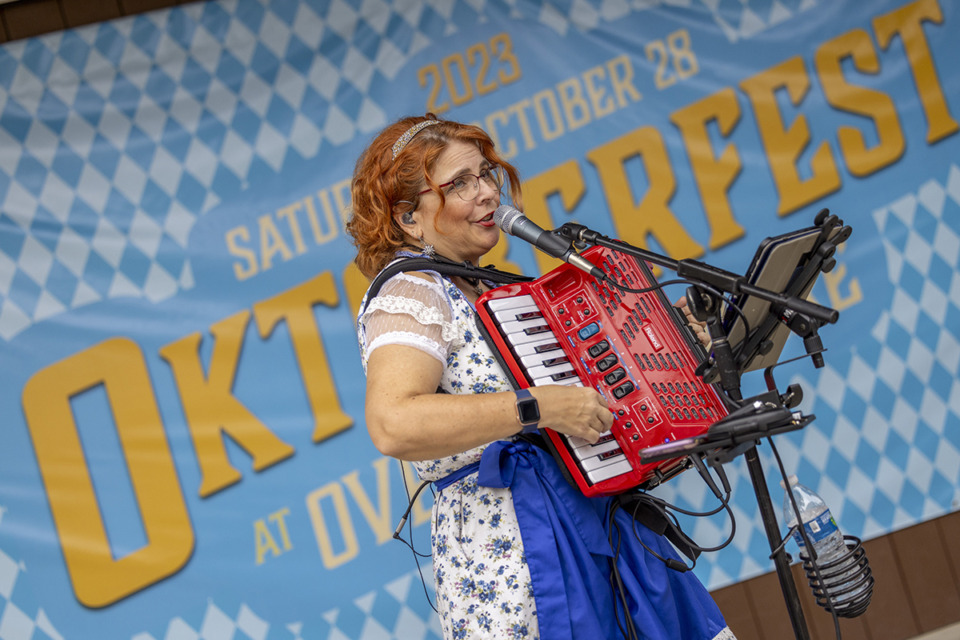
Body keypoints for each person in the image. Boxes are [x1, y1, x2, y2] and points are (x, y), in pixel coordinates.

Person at [346, 114, 735, 639]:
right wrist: (538, 406)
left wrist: (677, 353)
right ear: (410, 218)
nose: (487, 193)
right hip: (515, 552)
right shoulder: (412, 291)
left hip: (589, 517)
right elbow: (392, 422)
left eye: (487, 174)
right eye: (460, 183)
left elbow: (585, 407)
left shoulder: (484, 290)